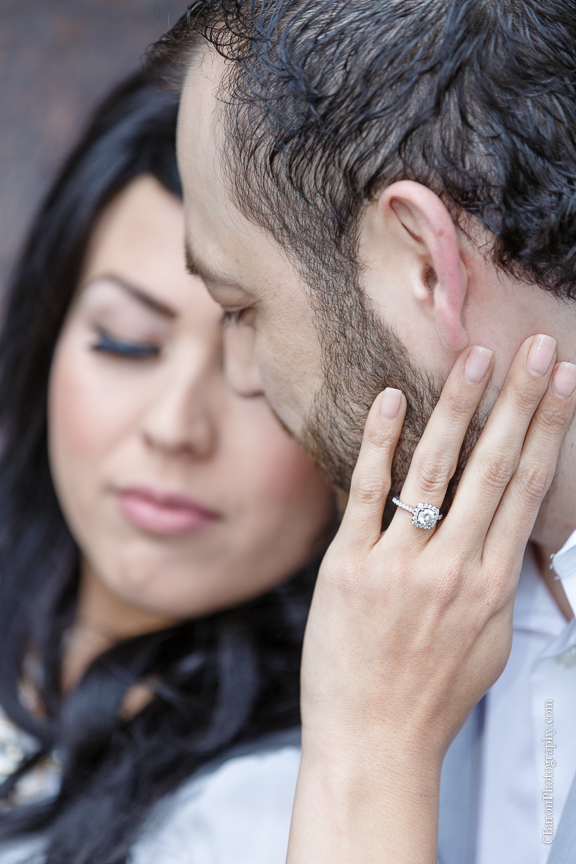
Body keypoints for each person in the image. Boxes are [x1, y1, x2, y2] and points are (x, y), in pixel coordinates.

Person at [149, 2, 576, 862]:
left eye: (242, 307)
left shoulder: (382, 670)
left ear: (424, 263)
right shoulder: (409, 602)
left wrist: (366, 758)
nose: (240, 377)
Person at [0, 71, 335, 864]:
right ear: (47, 344)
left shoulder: (285, 811)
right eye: (125, 340)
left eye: (257, 375)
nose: (174, 427)